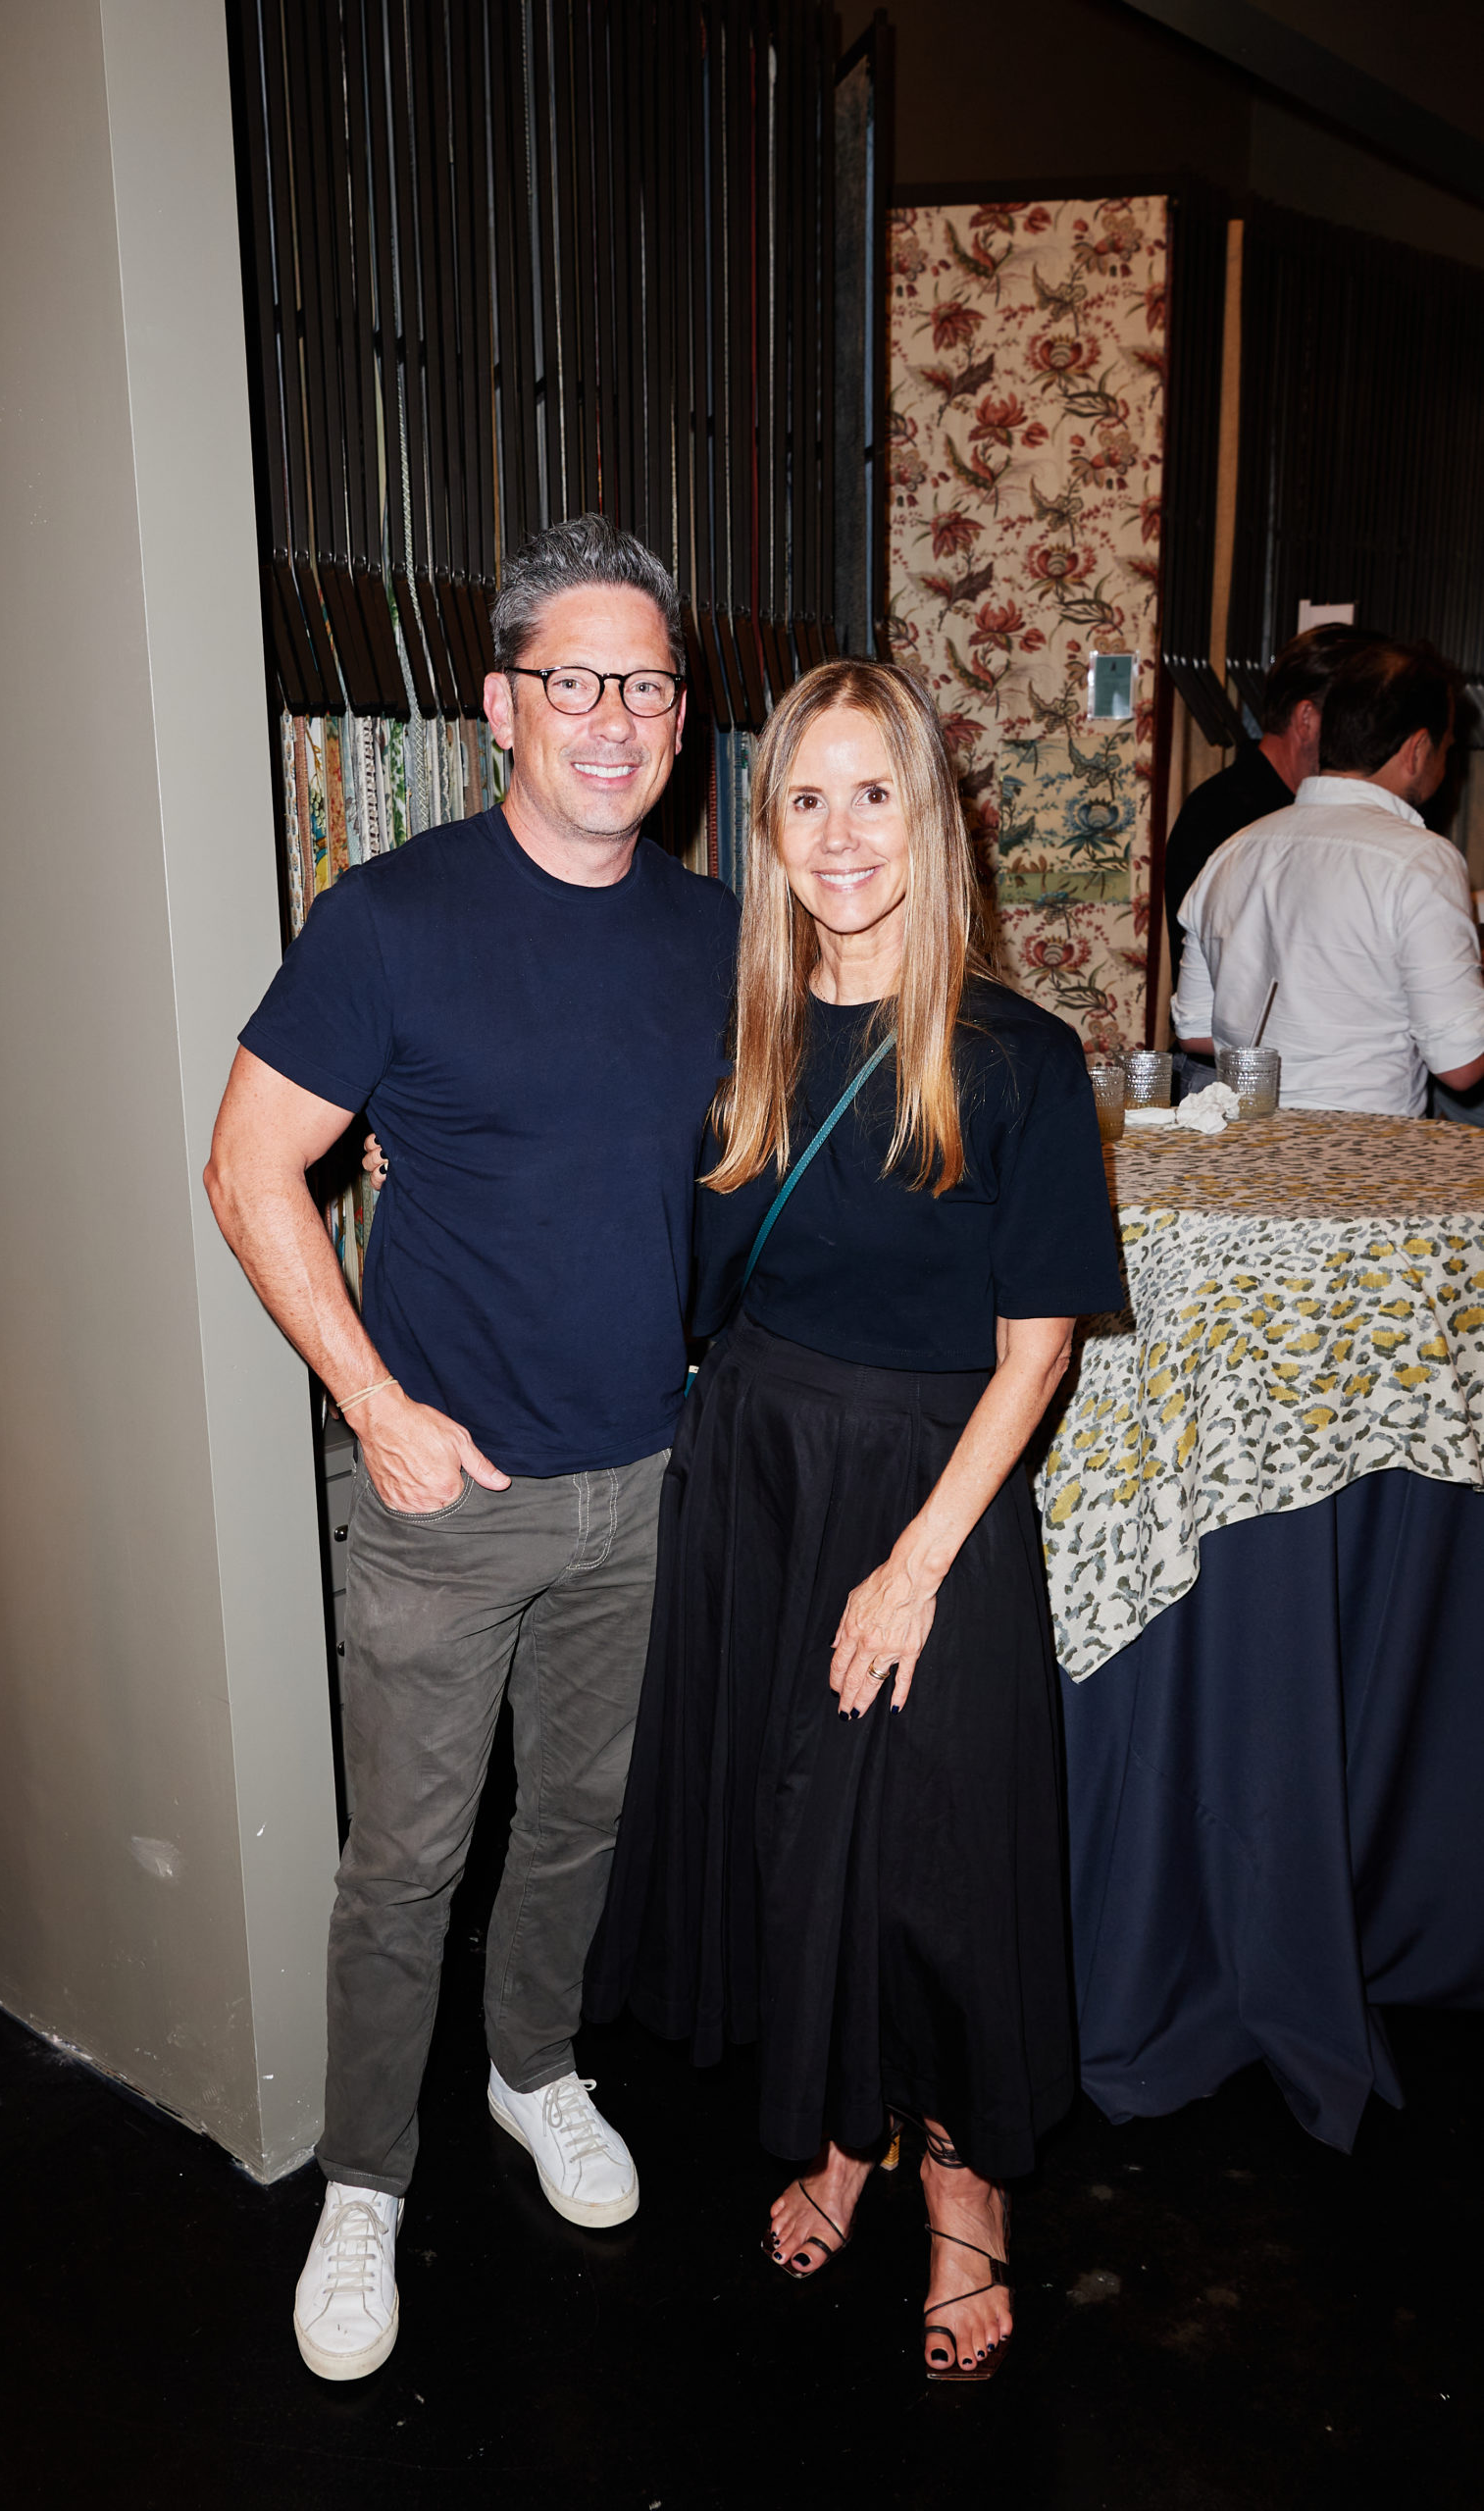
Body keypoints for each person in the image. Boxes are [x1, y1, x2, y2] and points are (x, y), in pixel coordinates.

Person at [205, 516, 739, 2380]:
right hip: (445, 1498)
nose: (614, 716)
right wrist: (375, 1406)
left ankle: (533, 2067)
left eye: (647, 684)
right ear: (499, 705)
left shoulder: (716, 936)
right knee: (405, 1866)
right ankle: (363, 2181)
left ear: (681, 716)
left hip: (642, 1480)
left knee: (578, 1823)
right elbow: (248, 1170)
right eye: (572, 679)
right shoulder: (390, 920)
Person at [585, 659, 1124, 2382]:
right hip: (757, 1474)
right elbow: (608, 1196)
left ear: (931, 818)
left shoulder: (1016, 1057)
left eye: (871, 794)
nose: (837, 835)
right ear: (766, 835)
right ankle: (836, 2133)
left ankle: (964, 2190)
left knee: (934, 1861)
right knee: (792, 1831)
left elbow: (1036, 1352)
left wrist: (910, 1568)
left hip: (927, 1494)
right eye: (803, 801)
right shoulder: (734, 1044)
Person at [1172, 641, 1484, 1113]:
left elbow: (1195, 1031)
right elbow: (1461, 1065)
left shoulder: (1233, 850)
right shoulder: (1421, 859)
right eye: (1448, 748)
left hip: (1245, 1140)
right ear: (1418, 749)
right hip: (1364, 1146)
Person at [1164, 622, 1374, 985]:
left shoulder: (1319, 811)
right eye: (1362, 721)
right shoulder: (1221, 815)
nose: (1373, 739)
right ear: (1307, 719)